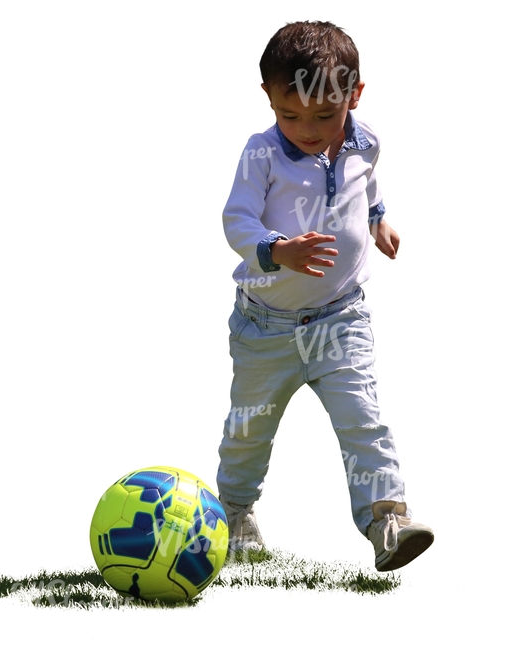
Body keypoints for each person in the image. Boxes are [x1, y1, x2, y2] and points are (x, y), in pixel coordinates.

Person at [216, 20, 433, 571]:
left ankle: (387, 519)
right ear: (267, 95)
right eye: (289, 115)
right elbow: (236, 219)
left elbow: (369, 182)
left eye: (323, 116)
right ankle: (235, 513)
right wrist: (275, 249)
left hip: (341, 320)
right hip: (266, 326)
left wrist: (379, 221)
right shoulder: (261, 154)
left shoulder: (366, 140)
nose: (307, 130)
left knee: (363, 418)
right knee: (249, 428)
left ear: (354, 95)